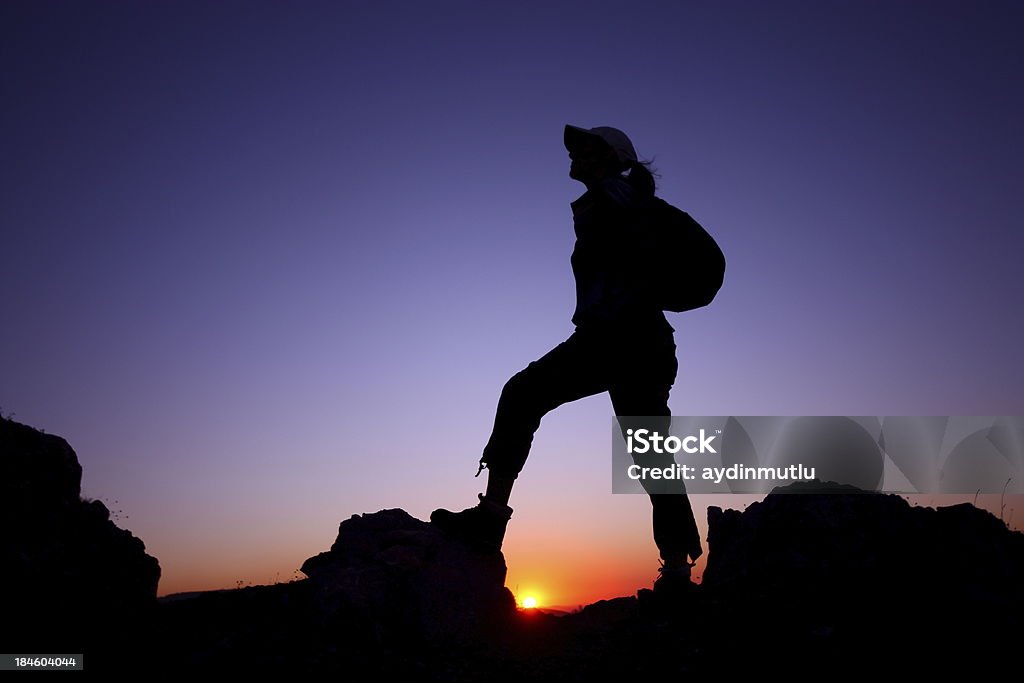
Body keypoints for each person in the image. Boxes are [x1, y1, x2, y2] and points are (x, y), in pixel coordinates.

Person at [431, 124, 703, 593]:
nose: (572, 156)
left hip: (625, 338)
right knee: (649, 451)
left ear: (607, 157)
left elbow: (635, 258)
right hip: (632, 340)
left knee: (524, 394)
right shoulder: (616, 199)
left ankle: (490, 521)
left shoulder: (617, 198)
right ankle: (677, 572)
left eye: (583, 149)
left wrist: (626, 300)